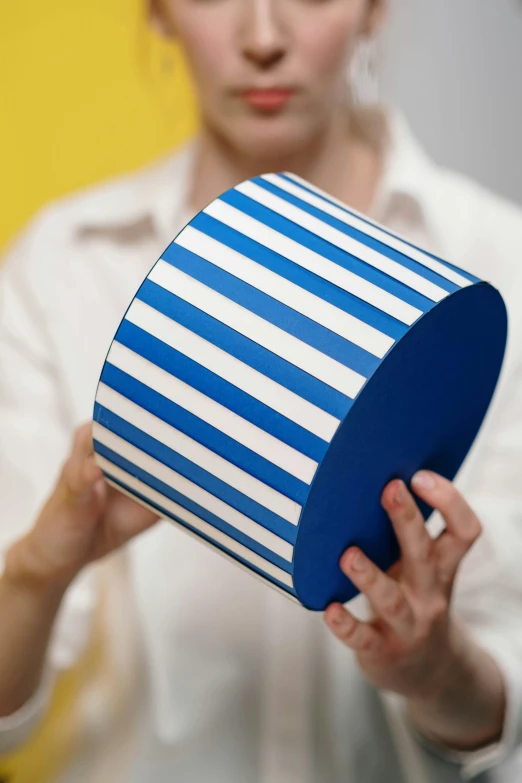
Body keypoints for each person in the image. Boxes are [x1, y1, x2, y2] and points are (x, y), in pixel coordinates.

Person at [1, 0, 522, 781]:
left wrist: (437, 671)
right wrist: (40, 568)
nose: (264, 39)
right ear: (159, 12)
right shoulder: (62, 265)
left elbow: (500, 710)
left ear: (374, 8)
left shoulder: (493, 258)